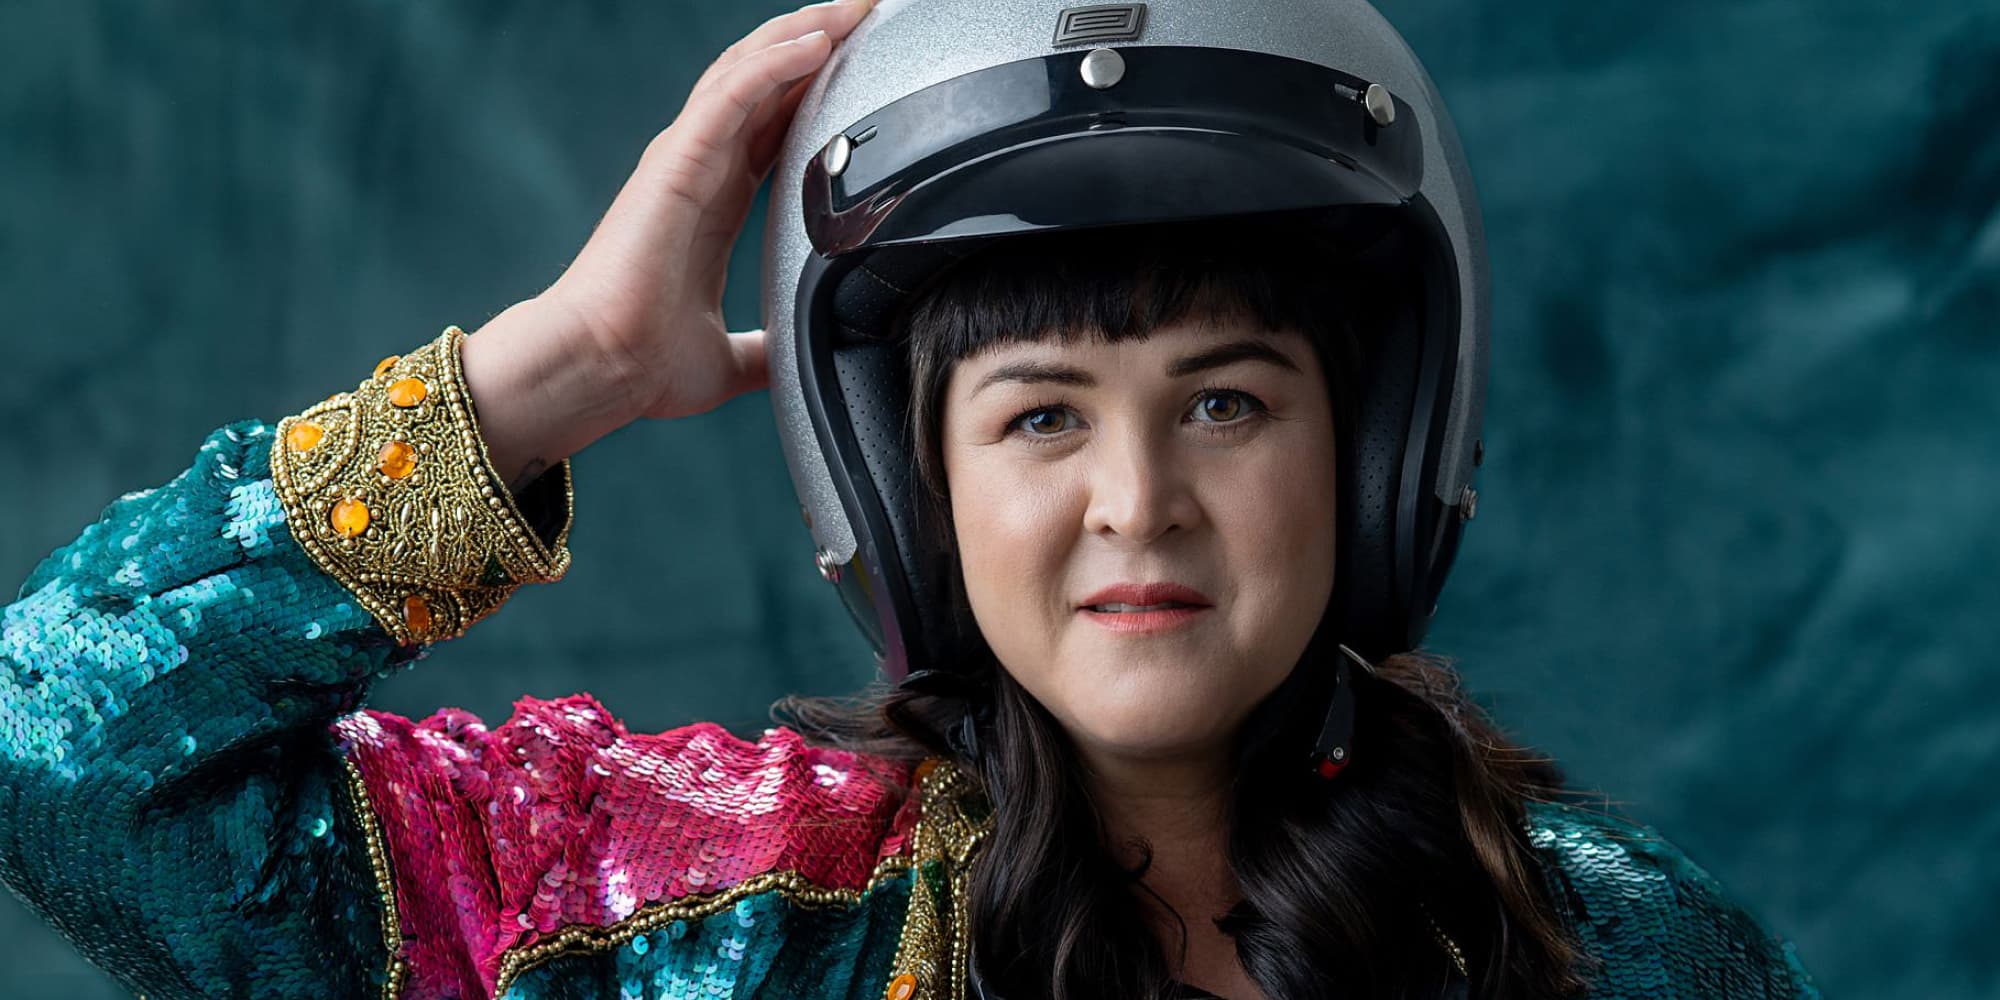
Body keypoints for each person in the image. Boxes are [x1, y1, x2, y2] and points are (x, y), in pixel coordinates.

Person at [0, 0, 1822, 997]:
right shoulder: (686, 915)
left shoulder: (1616, 951)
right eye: (1040, 418)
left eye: (1222, 400)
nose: (1139, 502)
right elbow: (52, 746)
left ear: (1375, 446)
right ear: (903, 481)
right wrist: (551, 377)